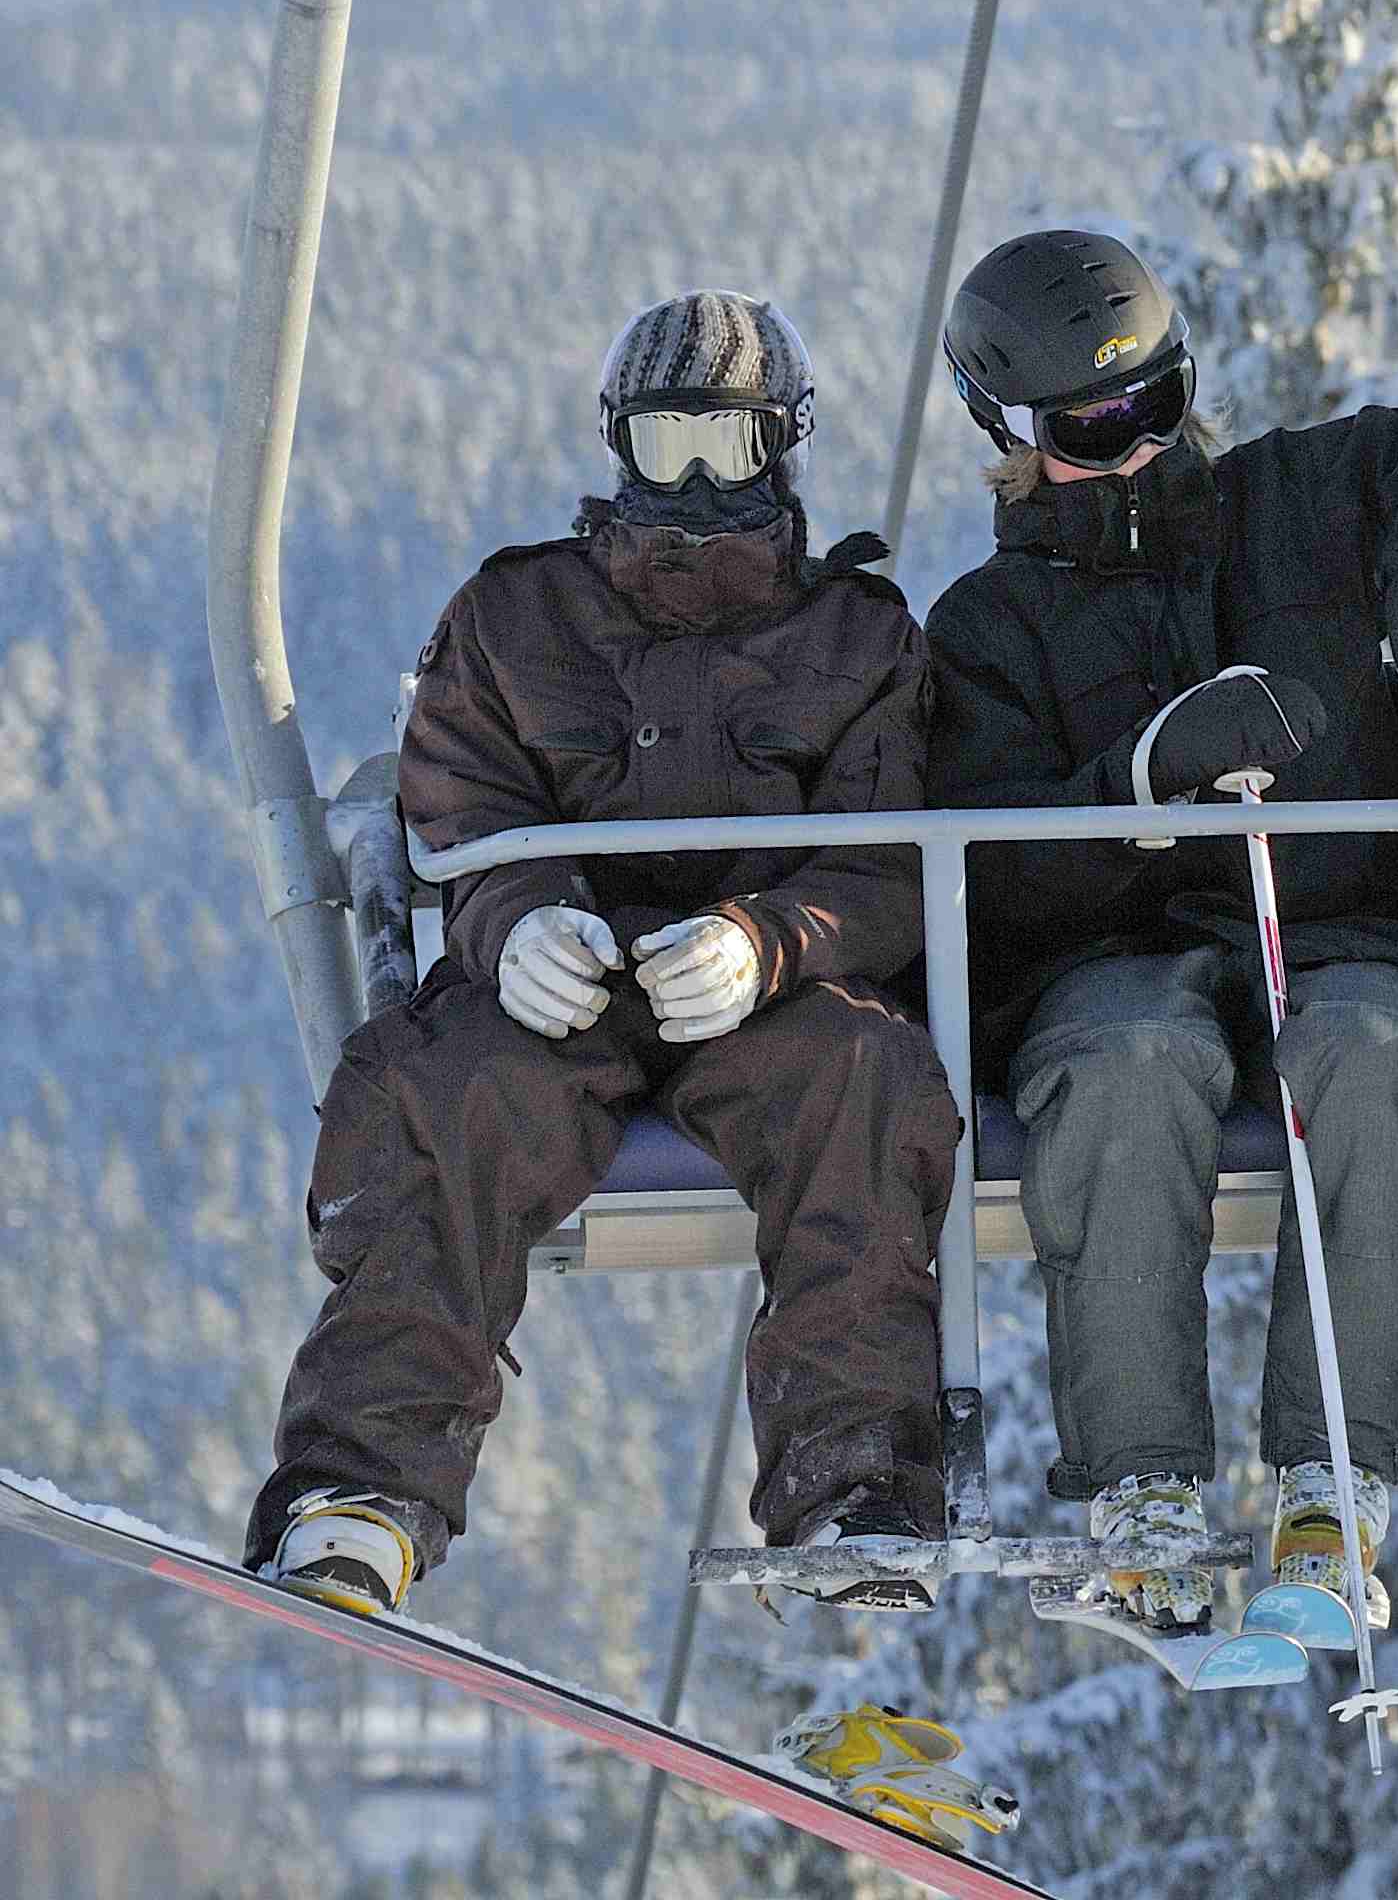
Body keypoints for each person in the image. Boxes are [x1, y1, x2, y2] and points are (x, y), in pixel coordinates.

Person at [250, 297, 960, 1617]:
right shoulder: (517, 617)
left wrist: (766, 943)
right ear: (616, 442)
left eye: (726, 446)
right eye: (665, 440)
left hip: (763, 996)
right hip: (561, 987)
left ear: (784, 446)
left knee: (862, 1081)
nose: (690, 481)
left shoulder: (856, 638)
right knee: (453, 1094)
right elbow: (457, 801)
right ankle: (363, 1490)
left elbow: (886, 860)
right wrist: (516, 919)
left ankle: (853, 1483)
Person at [922, 228, 1398, 1644]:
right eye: (1090, 431)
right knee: (1131, 1067)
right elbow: (983, 880)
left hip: (1337, 918)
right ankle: (1146, 1488)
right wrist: (1142, 781)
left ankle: (1332, 1480)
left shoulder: (1305, 503)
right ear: (1010, 437)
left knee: (1378, 1055)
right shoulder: (989, 629)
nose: (1139, 451)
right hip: (1111, 957)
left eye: (1157, 408)